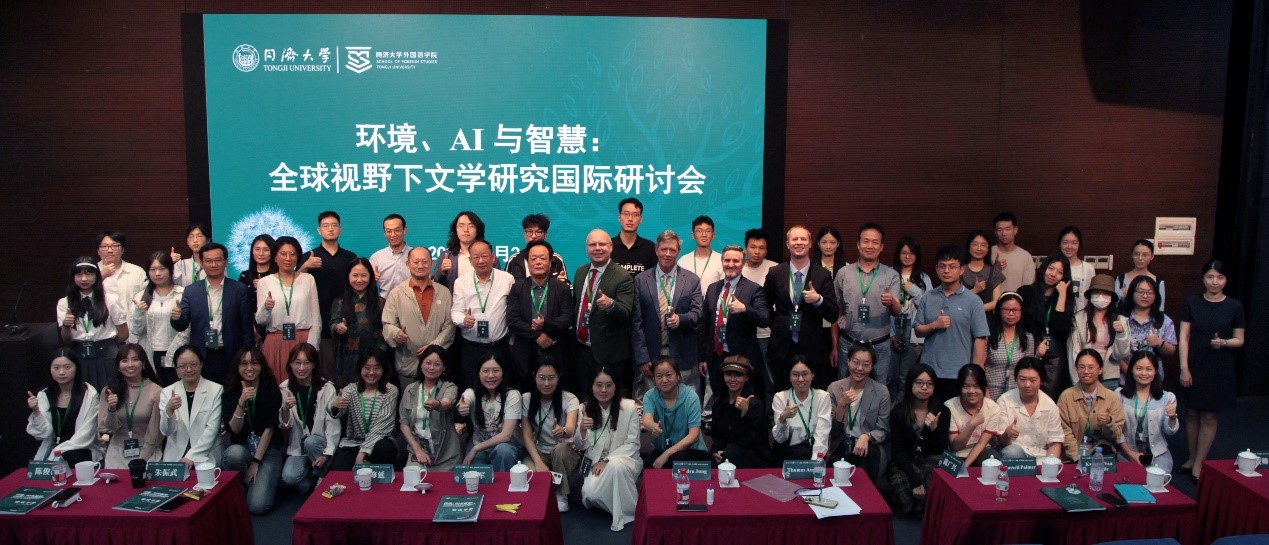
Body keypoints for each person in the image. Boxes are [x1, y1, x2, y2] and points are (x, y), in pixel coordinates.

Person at [1176, 259, 1245, 480]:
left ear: (1226, 280)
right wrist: (1184, 368)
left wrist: (1223, 342)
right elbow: (1184, 337)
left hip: (1219, 367)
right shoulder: (1192, 303)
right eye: (1210, 277)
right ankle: (1191, 457)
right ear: (1203, 279)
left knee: (1209, 416)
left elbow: (1239, 339)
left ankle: (1199, 463)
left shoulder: (1234, 306)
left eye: (1220, 277)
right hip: (1194, 364)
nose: (1215, 282)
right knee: (1191, 413)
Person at [631, 230, 703, 399]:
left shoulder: (692, 280)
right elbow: (636, 322)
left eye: (672, 250)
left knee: (685, 401)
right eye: (664, 249)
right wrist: (642, 358)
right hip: (651, 355)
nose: (668, 254)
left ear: (678, 252)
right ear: (656, 250)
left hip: (683, 355)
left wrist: (681, 319)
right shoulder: (641, 280)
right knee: (652, 402)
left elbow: (698, 313)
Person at [170, 242, 256, 383]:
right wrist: (176, 318)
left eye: (218, 260)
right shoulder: (191, 291)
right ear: (202, 263)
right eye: (209, 261)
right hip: (202, 355)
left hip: (232, 355)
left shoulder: (239, 290)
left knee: (231, 393)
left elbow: (247, 329)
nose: (213, 264)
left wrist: (248, 356)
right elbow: (181, 325)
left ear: (225, 262)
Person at [766, 225, 838, 390]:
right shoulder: (775, 273)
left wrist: (818, 300)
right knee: (781, 393)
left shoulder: (823, 275)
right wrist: (779, 324)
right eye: (794, 239)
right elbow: (766, 306)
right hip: (781, 346)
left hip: (812, 347)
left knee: (812, 393)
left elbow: (833, 314)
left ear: (810, 243)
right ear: (788, 244)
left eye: (803, 239)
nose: (799, 242)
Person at [832, 223, 902, 394]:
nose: (869, 246)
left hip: (879, 345)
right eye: (865, 241)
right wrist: (834, 345)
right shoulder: (843, 273)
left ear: (881, 246)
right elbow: (836, 310)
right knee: (844, 390)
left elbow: (897, 311)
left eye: (875, 242)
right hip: (848, 343)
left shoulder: (891, 275)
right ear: (858, 244)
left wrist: (892, 302)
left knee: (878, 392)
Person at [914, 245, 989, 403]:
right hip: (929, 371)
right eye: (942, 266)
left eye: (952, 266)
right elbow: (918, 330)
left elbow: (980, 339)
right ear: (936, 268)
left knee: (955, 415)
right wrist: (934, 325)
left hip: (959, 373)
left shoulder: (973, 301)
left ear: (961, 270)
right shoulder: (928, 297)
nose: (946, 271)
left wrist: (974, 372)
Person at [574, 365, 643, 532]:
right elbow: (580, 446)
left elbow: (633, 443)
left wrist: (607, 461)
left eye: (608, 385)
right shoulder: (584, 408)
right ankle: (625, 494)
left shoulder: (629, 407)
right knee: (590, 495)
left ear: (616, 386)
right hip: (595, 463)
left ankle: (626, 513)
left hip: (625, 459)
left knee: (616, 466)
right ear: (591, 386)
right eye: (598, 385)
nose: (603, 390)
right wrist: (581, 429)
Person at [701, 245, 770, 401]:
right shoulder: (713, 288)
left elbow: (765, 319)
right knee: (718, 402)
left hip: (742, 359)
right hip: (716, 357)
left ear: (743, 263)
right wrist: (703, 357)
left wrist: (745, 308)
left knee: (742, 404)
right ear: (722, 262)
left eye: (735, 261)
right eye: (727, 260)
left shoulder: (754, 289)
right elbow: (705, 326)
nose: (731, 264)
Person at [221, 348, 284, 515]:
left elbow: (270, 429)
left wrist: (256, 462)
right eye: (244, 364)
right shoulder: (230, 391)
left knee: (257, 506)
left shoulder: (271, 390)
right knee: (233, 454)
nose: (249, 368)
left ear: (261, 366)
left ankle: (262, 481)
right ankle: (242, 486)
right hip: (242, 446)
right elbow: (234, 429)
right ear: (237, 367)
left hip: (268, 450)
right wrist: (241, 403)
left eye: (254, 363)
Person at [506, 239, 575, 393]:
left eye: (543, 258)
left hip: (556, 350)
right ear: (527, 262)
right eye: (533, 258)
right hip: (525, 355)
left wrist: (546, 324)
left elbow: (568, 318)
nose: (538, 262)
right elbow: (512, 320)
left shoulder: (562, 288)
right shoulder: (517, 288)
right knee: (526, 396)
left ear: (550, 263)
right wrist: (536, 335)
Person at [572, 229, 635, 395]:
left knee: (610, 400)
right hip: (581, 350)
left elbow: (625, 312)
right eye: (593, 245)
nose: (597, 248)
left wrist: (611, 304)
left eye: (602, 244)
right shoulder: (580, 272)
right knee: (585, 397)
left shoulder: (622, 276)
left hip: (609, 353)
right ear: (587, 248)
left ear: (611, 247)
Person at [297, 212, 359, 376]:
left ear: (340, 229)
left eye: (334, 225)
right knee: (323, 372)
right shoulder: (309, 256)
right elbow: (294, 285)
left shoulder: (350, 257)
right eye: (326, 226)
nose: (330, 229)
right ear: (319, 230)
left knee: (349, 372)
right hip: (318, 321)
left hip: (346, 320)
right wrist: (305, 266)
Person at [382, 247, 456, 386]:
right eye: (416, 262)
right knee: (408, 398)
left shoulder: (444, 292)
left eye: (424, 262)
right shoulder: (396, 293)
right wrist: (396, 334)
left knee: (436, 398)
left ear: (432, 263)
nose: (420, 266)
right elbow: (387, 324)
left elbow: (450, 325)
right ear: (407, 264)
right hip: (408, 363)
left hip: (437, 365)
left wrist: (434, 346)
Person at [885, 364, 950, 515]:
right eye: (919, 383)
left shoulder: (943, 411)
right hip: (906, 461)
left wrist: (933, 430)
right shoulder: (898, 412)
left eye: (929, 384)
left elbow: (940, 449)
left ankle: (924, 509)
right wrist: (915, 481)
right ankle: (921, 508)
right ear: (910, 384)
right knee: (904, 491)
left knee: (932, 485)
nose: (924, 387)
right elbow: (898, 452)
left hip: (931, 460)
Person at [450, 239, 515, 391]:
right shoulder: (461, 282)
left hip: (499, 346)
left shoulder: (507, 279)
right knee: (471, 389)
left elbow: (514, 312)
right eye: (476, 257)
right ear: (470, 261)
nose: (481, 261)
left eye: (485, 256)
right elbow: (455, 312)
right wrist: (463, 320)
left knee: (501, 389)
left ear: (493, 257)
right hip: (472, 348)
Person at [256, 236, 322, 380]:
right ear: (275, 257)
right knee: (275, 385)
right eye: (283, 254)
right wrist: (266, 308)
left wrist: (312, 347)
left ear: (298, 257)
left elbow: (316, 317)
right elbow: (261, 321)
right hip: (275, 343)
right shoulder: (265, 282)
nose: (288, 258)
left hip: (303, 341)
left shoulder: (308, 279)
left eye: (292, 254)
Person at [278, 344, 341, 495]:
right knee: (289, 478)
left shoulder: (326, 387)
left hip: (319, 445)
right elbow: (284, 425)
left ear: (314, 365)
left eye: (307, 363)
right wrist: (285, 409)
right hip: (299, 448)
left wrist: (327, 453)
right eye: (297, 363)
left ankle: (325, 475)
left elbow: (333, 424)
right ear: (291, 364)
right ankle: (314, 476)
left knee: (311, 442)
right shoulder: (285, 388)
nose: (301, 368)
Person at [520, 357, 580, 512]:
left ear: (558, 377)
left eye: (551, 378)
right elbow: (527, 435)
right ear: (534, 376)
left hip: (565, 450)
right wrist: (538, 462)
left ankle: (562, 494)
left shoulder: (569, 398)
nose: (546, 383)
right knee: (527, 474)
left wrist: (563, 430)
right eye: (542, 378)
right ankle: (547, 491)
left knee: (560, 450)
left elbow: (571, 428)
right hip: (540, 451)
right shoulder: (527, 398)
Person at [58, 256, 128, 388]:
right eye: (79, 274)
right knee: (82, 393)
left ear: (97, 276)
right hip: (78, 354)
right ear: (73, 277)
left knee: (109, 392)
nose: (83, 279)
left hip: (107, 355)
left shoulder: (110, 300)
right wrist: (66, 326)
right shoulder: (64, 303)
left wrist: (107, 345)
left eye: (88, 274)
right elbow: (66, 339)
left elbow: (124, 333)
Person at [826, 345, 890, 482]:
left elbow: (883, 429)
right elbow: (833, 431)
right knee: (835, 461)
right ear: (848, 362)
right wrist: (842, 405)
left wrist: (866, 436)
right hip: (840, 442)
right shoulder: (834, 388)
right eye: (856, 362)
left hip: (867, 445)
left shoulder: (881, 392)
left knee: (869, 455)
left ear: (872, 367)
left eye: (866, 364)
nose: (860, 368)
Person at [27, 348, 99, 465]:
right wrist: (36, 411)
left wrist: (59, 452)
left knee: (69, 457)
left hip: (80, 450)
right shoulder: (44, 395)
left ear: (76, 368)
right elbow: (43, 433)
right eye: (56, 368)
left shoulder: (89, 394)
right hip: (53, 451)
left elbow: (86, 436)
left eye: (67, 367)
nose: (61, 372)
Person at [1017, 253, 1074, 397]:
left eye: (1059, 272)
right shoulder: (1025, 292)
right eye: (1051, 268)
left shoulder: (1064, 298)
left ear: (1064, 277)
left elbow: (1059, 327)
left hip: (1054, 355)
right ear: (1044, 268)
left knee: (1049, 398)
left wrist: (1062, 294)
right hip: (1028, 349)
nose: (1053, 274)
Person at [329, 351, 399, 469]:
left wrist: (362, 453)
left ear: (383, 370)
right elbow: (337, 411)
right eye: (367, 368)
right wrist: (334, 406)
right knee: (339, 469)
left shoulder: (391, 390)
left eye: (376, 368)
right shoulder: (350, 389)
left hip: (380, 441)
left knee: (384, 449)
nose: (371, 372)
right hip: (354, 442)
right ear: (360, 369)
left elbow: (382, 425)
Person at [97, 345, 162, 468]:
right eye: (124, 360)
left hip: (147, 454)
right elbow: (108, 429)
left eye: (135, 359)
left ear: (143, 363)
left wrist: (142, 460)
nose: (130, 364)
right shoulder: (109, 390)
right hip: (116, 455)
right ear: (118, 365)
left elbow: (156, 433)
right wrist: (112, 409)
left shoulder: (157, 391)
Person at [159, 345, 225, 467]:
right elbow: (166, 431)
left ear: (201, 364)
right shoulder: (167, 392)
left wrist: (191, 457)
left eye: (194, 364)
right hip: (176, 457)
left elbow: (212, 430)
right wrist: (169, 410)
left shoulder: (216, 390)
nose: (189, 369)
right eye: (183, 366)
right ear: (176, 369)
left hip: (206, 456)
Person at [398, 345, 462, 471]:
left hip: (446, 455)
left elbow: (447, 403)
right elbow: (404, 424)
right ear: (421, 364)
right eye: (428, 363)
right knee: (412, 478)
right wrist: (417, 450)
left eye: (437, 364)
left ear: (443, 368)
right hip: (418, 452)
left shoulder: (449, 387)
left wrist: (437, 404)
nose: (431, 368)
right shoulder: (410, 390)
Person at [130, 252, 189, 386]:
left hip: (178, 352)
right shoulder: (141, 296)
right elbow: (135, 331)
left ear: (171, 270)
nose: (157, 273)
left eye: (162, 269)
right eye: (153, 269)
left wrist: (172, 354)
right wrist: (139, 313)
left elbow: (188, 329)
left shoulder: (182, 294)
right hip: (150, 352)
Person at [1057, 349, 1125, 462]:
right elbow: (1064, 431)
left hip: (1100, 452)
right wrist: (1077, 457)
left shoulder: (1112, 398)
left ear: (1100, 370)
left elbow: (1117, 435)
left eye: (1091, 367)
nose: (1086, 371)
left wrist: (1109, 422)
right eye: (1081, 367)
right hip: (1073, 454)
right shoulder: (1066, 397)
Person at [641, 358, 710, 468]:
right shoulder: (650, 395)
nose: (664, 380)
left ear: (678, 376)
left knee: (675, 460)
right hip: (662, 450)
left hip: (690, 450)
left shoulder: (691, 397)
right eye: (659, 376)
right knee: (648, 466)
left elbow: (694, 435)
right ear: (653, 379)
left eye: (669, 375)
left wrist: (667, 454)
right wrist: (653, 426)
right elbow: (646, 419)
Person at [1117, 351, 1180, 472]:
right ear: (1131, 370)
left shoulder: (1167, 398)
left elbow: (1169, 431)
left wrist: (1172, 418)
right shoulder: (1119, 395)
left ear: (1156, 371)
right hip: (1127, 453)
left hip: (1157, 455)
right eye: (1139, 368)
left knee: (1156, 480)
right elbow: (1116, 431)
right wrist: (1129, 453)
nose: (1144, 373)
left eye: (1149, 369)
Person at [457, 357, 523, 471]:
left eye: (496, 371)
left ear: (503, 372)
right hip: (480, 445)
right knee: (472, 473)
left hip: (508, 446)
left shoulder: (512, 395)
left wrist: (475, 448)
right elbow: (464, 401)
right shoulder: (472, 393)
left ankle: (504, 483)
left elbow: (506, 436)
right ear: (479, 373)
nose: (491, 375)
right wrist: (462, 407)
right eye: (486, 371)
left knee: (503, 452)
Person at [1067, 274, 1131, 388]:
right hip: (1085, 376)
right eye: (1097, 293)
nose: (1101, 297)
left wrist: (1121, 334)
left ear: (1111, 297)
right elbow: (1073, 353)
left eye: (1105, 293)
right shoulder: (1079, 318)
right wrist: (1077, 382)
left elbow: (1120, 355)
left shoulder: (1120, 320)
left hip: (1109, 378)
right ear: (1090, 295)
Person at [329, 258, 384, 387]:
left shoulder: (380, 302)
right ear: (348, 277)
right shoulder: (340, 302)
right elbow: (333, 323)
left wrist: (379, 356)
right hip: (347, 360)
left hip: (374, 360)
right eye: (355, 275)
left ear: (371, 277)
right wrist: (337, 327)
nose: (359, 280)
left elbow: (384, 332)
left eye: (364, 275)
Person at [995, 357, 1064, 460]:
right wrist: (1007, 434)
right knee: (1012, 452)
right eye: (1022, 379)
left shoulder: (1050, 405)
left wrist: (1050, 463)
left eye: (1033, 380)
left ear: (1041, 381)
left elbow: (1055, 443)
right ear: (1015, 379)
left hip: (1041, 456)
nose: (1027, 385)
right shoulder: (1004, 401)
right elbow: (1000, 442)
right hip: (1015, 455)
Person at [709, 356, 770, 468]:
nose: (733, 379)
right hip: (726, 454)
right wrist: (715, 451)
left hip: (753, 458)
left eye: (738, 375)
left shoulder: (755, 404)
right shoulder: (719, 402)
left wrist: (745, 414)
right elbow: (716, 435)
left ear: (746, 377)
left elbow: (746, 441)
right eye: (728, 374)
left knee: (733, 451)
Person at [892, 236, 932, 401]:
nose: (907, 257)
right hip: (893, 334)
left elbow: (928, 307)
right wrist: (890, 333)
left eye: (912, 253)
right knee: (891, 378)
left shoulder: (924, 278)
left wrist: (913, 289)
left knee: (907, 379)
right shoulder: (890, 275)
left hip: (914, 337)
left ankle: (903, 409)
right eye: (904, 253)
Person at [771, 356, 833, 461]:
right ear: (789, 377)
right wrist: (782, 418)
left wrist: (815, 463)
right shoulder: (780, 397)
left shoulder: (822, 397)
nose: (800, 379)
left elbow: (822, 433)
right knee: (800, 453)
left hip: (814, 447)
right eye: (795, 375)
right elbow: (780, 439)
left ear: (812, 375)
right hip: (788, 449)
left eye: (805, 374)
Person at [946, 363, 1007, 467]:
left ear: (984, 387)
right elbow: (955, 446)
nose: (971, 391)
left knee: (992, 458)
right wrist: (971, 425)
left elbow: (982, 443)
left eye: (976, 386)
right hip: (957, 453)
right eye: (966, 386)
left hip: (981, 451)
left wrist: (965, 466)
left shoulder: (993, 408)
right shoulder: (949, 406)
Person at [742, 229, 779, 393]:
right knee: (743, 377)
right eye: (753, 247)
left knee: (770, 378)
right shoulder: (737, 267)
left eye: (761, 248)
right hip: (743, 333)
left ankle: (773, 409)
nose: (757, 252)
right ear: (746, 248)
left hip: (767, 334)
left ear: (766, 250)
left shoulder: (775, 269)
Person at [985, 292, 1039, 399]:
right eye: (1006, 309)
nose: (1011, 313)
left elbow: (1029, 368)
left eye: (1015, 310)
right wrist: (984, 390)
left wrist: (1038, 355)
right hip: (991, 392)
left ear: (1021, 312)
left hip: (1017, 393)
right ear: (999, 311)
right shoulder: (988, 336)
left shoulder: (1028, 338)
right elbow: (980, 364)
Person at [1121, 275, 1178, 376]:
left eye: (1150, 292)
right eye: (1140, 292)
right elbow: (1112, 350)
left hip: (1153, 378)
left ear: (1156, 295)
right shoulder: (1121, 318)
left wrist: (1159, 342)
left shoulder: (1164, 320)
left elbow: (1171, 350)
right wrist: (1131, 374)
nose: (1145, 296)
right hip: (1124, 377)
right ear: (1131, 293)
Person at [435, 211, 500, 289]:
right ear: (456, 230)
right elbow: (435, 285)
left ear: (477, 230)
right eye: (461, 226)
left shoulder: (489, 257)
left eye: (471, 226)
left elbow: (499, 283)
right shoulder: (447, 256)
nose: (466, 230)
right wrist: (442, 271)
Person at [96, 231, 148, 327]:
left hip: (132, 328)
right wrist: (101, 276)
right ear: (98, 251)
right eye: (104, 246)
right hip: (102, 331)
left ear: (123, 249)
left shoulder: (137, 272)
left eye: (115, 246)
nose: (109, 250)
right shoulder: (91, 272)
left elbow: (148, 298)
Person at [504, 213, 568, 283]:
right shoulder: (514, 260)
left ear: (545, 234)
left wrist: (562, 284)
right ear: (524, 234)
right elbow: (505, 285)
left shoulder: (556, 259)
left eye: (538, 232)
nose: (534, 236)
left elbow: (567, 286)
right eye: (530, 231)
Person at [989, 212, 1035, 292]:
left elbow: (1028, 287)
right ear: (995, 232)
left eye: (1007, 229)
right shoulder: (987, 253)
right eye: (999, 230)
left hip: (1017, 299)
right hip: (993, 299)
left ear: (1015, 230)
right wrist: (995, 269)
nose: (1004, 233)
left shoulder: (1025, 256)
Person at [610, 197, 657, 276]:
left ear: (640, 219)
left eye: (635, 215)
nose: (630, 219)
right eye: (626, 214)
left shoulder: (650, 248)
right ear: (619, 217)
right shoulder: (608, 246)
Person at [369, 214, 411, 298]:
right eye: (389, 231)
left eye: (397, 230)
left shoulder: (416, 255)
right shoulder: (376, 258)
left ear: (405, 230)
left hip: (412, 304)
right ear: (384, 233)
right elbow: (367, 287)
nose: (393, 234)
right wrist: (370, 279)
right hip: (385, 304)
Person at [1116, 239, 1166, 310]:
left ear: (1152, 256)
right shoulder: (1121, 279)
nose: (1140, 258)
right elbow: (1113, 305)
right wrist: (1121, 294)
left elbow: (1160, 309)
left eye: (1145, 255)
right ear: (1132, 255)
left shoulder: (1158, 282)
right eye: (1136, 254)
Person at [962, 230, 1005, 312]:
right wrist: (974, 291)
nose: (979, 248)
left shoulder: (994, 272)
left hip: (985, 318)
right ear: (969, 246)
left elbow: (997, 302)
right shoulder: (959, 270)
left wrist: (976, 309)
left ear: (988, 248)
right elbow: (954, 299)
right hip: (962, 317)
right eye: (975, 244)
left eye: (983, 245)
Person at [1058, 226, 1096, 312]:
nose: (1069, 246)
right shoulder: (1054, 267)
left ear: (1079, 245)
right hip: (1057, 314)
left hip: (1080, 315)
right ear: (1059, 244)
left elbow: (1091, 296)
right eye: (1065, 242)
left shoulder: (1088, 268)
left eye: (1074, 243)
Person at [678, 216, 723, 286]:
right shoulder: (683, 261)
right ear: (693, 235)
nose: (704, 235)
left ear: (713, 235)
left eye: (708, 231)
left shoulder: (722, 260)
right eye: (699, 231)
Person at [238, 234, 277, 305]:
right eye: (257, 249)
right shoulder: (245, 275)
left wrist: (265, 286)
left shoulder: (278, 275)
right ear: (252, 251)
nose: (261, 253)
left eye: (266, 250)